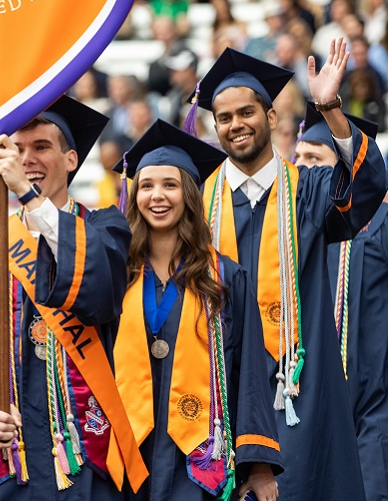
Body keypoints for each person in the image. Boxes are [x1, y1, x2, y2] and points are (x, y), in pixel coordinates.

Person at [194, 40, 387, 501]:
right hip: (222, 390)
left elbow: (366, 185)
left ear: (272, 117)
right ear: (215, 127)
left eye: (247, 112)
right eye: (225, 118)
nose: (237, 125)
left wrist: (329, 108)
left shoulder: (309, 190)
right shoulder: (199, 204)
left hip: (299, 387)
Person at [0, 96, 147, 498]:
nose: (26, 159)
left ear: (71, 159)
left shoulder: (105, 229)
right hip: (7, 456)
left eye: (41, 147)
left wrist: (27, 195)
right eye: (18, 149)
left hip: (87, 452)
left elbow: (101, 294)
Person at [113, 119, 282, 500]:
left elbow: (250, 370)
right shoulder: (115, 274)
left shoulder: (224, 277)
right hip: (125, 453)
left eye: (170, 185)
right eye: (147, 186)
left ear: (189, 194)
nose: (158, 196)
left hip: (199, 458)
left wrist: (257, 466)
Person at [293, 104, 388, 500]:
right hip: (309, 403)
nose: (302, 168)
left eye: (314, 159)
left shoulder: (379, 226)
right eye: (297, 158)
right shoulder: (290, 229)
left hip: (372, 405)